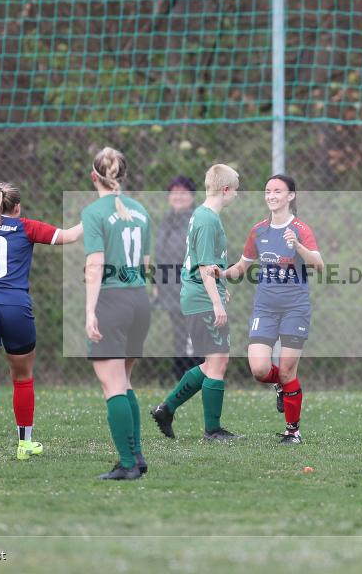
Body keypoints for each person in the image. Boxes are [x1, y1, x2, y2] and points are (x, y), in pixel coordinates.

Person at [0, 182, 83, 464]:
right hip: (15, 308)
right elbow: (69, 236)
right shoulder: (26, 227)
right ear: (17, 207)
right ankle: (25, 444)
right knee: (22, 378)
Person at [216, 174, 323, 444]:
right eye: (268, 191)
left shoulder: (300, 229)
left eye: (278, 191)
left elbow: (319, 265)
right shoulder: (259, 230)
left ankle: (293, 431)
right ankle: (282, 386)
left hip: (295, 309)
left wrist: (297, 247)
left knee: (288, 370)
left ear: (291, 196)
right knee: (260, 370)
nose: (272, 195)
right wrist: (221, 273)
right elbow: (242, 267)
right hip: (265, 308)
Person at [150, 164, 241, 441]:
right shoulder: (206, 219)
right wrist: (216, 301)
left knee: (212, 362)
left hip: (201, 293)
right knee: (218, 360)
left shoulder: (203, 215)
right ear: (225, 190)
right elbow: (203, 266)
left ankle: (167, 409)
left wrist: (221, 285)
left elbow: (209, 264)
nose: (236, 195)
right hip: (201, 297)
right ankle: (212, 430)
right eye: (235, 189)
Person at [81, 147, 153, 480]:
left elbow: (95, 264)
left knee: (112, 385)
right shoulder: (140, 211)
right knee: (124, 381)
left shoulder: (94, 212)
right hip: (139, 298)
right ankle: (136, 456)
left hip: (112, 300)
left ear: (94, 176)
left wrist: (90, 310)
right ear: (122, 176)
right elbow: (146, 265)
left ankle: (127, 464)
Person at [154, 176, 200, 380]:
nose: (178, 196)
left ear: (192, 196)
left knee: (192, 336)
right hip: (170, 289)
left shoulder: (197, 220)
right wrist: (157, 282)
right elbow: (161, 254)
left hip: (191, 287)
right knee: (179, 334)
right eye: (174, 192)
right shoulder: (168, 220)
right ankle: (180, 375)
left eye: (183, 192)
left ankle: (195, 376)